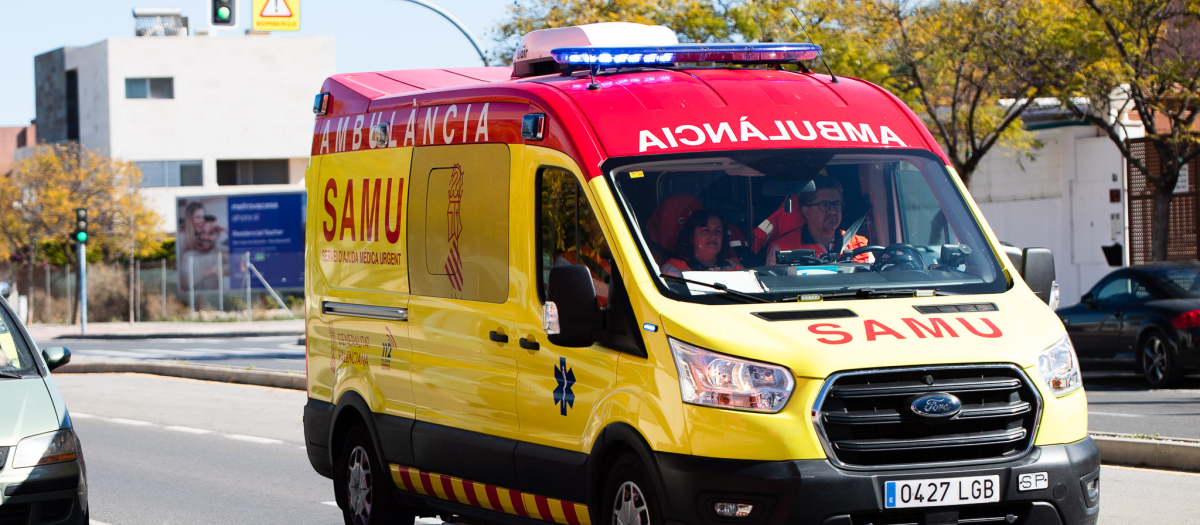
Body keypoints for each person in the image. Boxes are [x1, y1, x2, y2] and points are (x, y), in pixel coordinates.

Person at [765, 176, 871, 265]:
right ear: (806, 211)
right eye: (825, 205)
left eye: (836, 204)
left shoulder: (859, 245)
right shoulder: (782, 249)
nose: (833, 211)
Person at [662, 210, 744, 276]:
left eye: (718, 231)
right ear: (691, 237)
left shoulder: (735, 268)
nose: (713, 235)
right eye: (706, 230)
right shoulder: (674, 269)